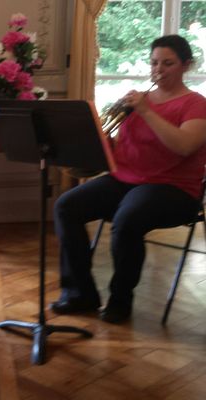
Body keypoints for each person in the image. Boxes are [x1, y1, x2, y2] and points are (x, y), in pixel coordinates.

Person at [50, 34, 206, 324]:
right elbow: (121, 145)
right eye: (154, 62)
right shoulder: (137, 101)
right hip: (126, 179)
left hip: (173, 188)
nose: (158, 69)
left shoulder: (196, 104)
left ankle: (120, 301)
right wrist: (102, 141)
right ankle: (80, 294)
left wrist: (146, 112)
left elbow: (184, 145)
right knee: (66, 207)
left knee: (127, 219)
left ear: (187, 65)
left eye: (168, 63)